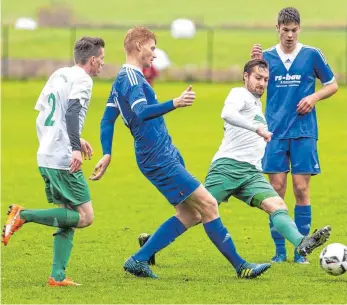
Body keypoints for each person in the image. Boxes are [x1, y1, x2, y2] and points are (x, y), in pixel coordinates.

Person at [90, 26, 271, 279]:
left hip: (163, 153)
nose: (154, 54)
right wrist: (175, 103)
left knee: (191, 213)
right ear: (139, 45)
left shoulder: (125, 78)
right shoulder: (130, 79)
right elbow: (141, 113)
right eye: (152, 48)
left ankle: (139, 259)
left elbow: (107, 120)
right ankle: (242, 266)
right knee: (208, 204)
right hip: (157, 157)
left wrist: (107, 152)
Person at [138, 59, 332, 268]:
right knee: (193, 214)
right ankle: (148, 246)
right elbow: (227, 114)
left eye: (266, 79)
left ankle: (301, 243)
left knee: (277, 205)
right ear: (245, 77)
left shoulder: (256, 104)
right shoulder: (238, 94)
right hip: (227, 168)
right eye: (258, 78)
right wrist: (256, 129)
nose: (262, 83)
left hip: (251, 173)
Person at [2, 36, 105, 286]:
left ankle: (57, 276)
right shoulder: (83, 80)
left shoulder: (59, 74)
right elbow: (71, 111)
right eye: (101, 59)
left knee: (66, 214)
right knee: (85, 217)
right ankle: (23, 215)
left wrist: (76, 139)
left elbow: (46, 114)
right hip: (62, 158)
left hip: (47, 153)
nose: (103, 64)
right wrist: (73, 147)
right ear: (92, 60)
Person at [251, 7, 338, 264]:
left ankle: (301, 252)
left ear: (299, 29)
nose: (289, 35)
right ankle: (279, 252)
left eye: (294, 30)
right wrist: (254, 65)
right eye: (285, 30)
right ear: (277, 28)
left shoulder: (312, 55)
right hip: (274, 133)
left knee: (301, 189)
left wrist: (313, 97)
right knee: (276, 191)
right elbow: (254, 90)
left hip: (304, 132)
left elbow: (332, 84)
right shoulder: (266, 56)